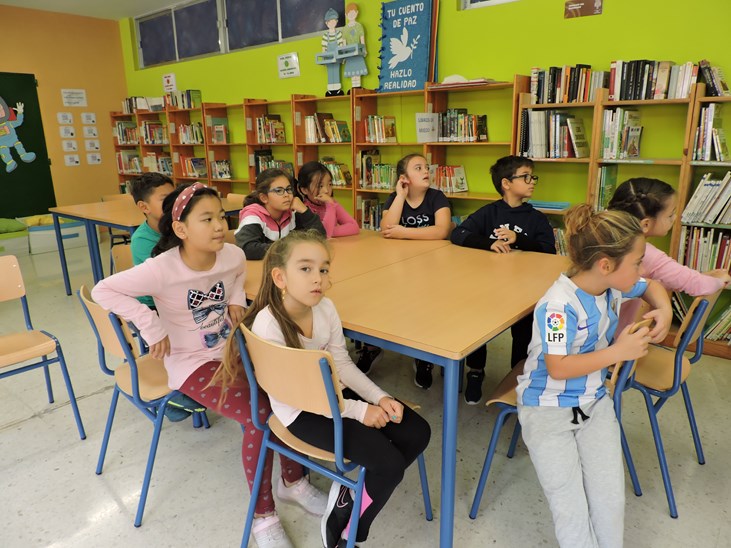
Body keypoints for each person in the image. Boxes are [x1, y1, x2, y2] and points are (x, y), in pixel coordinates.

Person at [92, 183, 326, 548]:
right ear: (181, 229)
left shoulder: (231, 255)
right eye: (207, 219)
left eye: (221, 216)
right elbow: (102, 290)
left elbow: (237, 273)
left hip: (232, 352)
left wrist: (234, 298)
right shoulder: (162, 268)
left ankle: (293, 481)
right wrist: (150, 324)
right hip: (190, 364)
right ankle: (263, 515)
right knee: (259, 415)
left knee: (289, 394)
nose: (219, 226)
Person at [214, 230, 431, 548]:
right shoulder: (269, 325)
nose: (318, 277)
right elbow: (294, 395)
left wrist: (380, 397)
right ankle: (349, 534)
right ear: (280, 277)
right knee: (388, 464)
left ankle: (348, 498)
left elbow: (342, 364)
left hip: (334, 396)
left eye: (324, 269)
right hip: (301, 412)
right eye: (305, 268)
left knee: (417, 432)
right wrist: (361, 411)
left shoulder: (326, 308)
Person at [516, 204, 672, 548]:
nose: (641, 269)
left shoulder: (610, 284)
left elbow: (651, 285)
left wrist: (663, 308)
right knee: (570, 509)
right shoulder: (557, 307)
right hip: (547, 411)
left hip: (593, 403)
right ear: (605, 265)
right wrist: (619, 352)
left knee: (610, 499)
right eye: (637, 262)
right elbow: (558, 367)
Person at [450, 155, 556, 404]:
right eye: (525, 177)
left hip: (524, 289)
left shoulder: (536, 218)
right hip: (489, 288)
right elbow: (459, 233)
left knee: (523, 333)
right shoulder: (489, 212)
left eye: (532, 177)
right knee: (476, 324)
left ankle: (516, 376)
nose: (532, 181)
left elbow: (548, 250)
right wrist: (489, 243)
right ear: (506, 183)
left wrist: (518, 239)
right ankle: (476, 371)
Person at [608, 177, 731, 335]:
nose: (675, 218)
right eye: (670, 215)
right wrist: (720, 280)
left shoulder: (603, 238)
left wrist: (702, 276)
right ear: (645, 224)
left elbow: (661, 280)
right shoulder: (645, 253)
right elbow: (698, 285)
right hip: (616, 340)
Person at [295, 161, 380, 375]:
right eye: (319, 185)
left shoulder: (331, 204)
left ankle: (365, 345)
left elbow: (353, 226)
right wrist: (332, 227)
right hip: (317, 269)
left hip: (338, 261)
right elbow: (325, 234)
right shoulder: (303, 210)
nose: (326, 191)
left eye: (329, 184)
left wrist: (332, 213)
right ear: (303, 190)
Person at [381, 153, 451, 389]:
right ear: (404, 177)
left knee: (428, 312)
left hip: (433, 267)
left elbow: (441, 230)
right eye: (418, 168)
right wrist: (400, 196)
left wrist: (404, 232)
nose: (426, 171)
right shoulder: (395, 198)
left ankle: (425, 358)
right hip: (401, 266)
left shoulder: (437, 197)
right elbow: (387, 229)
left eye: (426, 167)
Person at [235, 168, 326, 260]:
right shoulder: (253, 216)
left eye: (288, 189)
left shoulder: (292, 212)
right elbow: (248, 249)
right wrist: (290, 248)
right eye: (279, 191)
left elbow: (320, 237)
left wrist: (305, 211)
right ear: (264, 198)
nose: (287, 195)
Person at [129, 172, 175, 307]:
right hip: (153, 304)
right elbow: (168, 278)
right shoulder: (141, 240)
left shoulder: (179, 226)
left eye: (174, 197)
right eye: (165, 199)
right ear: (144, 207)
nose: (173, 204)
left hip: (178, 296)